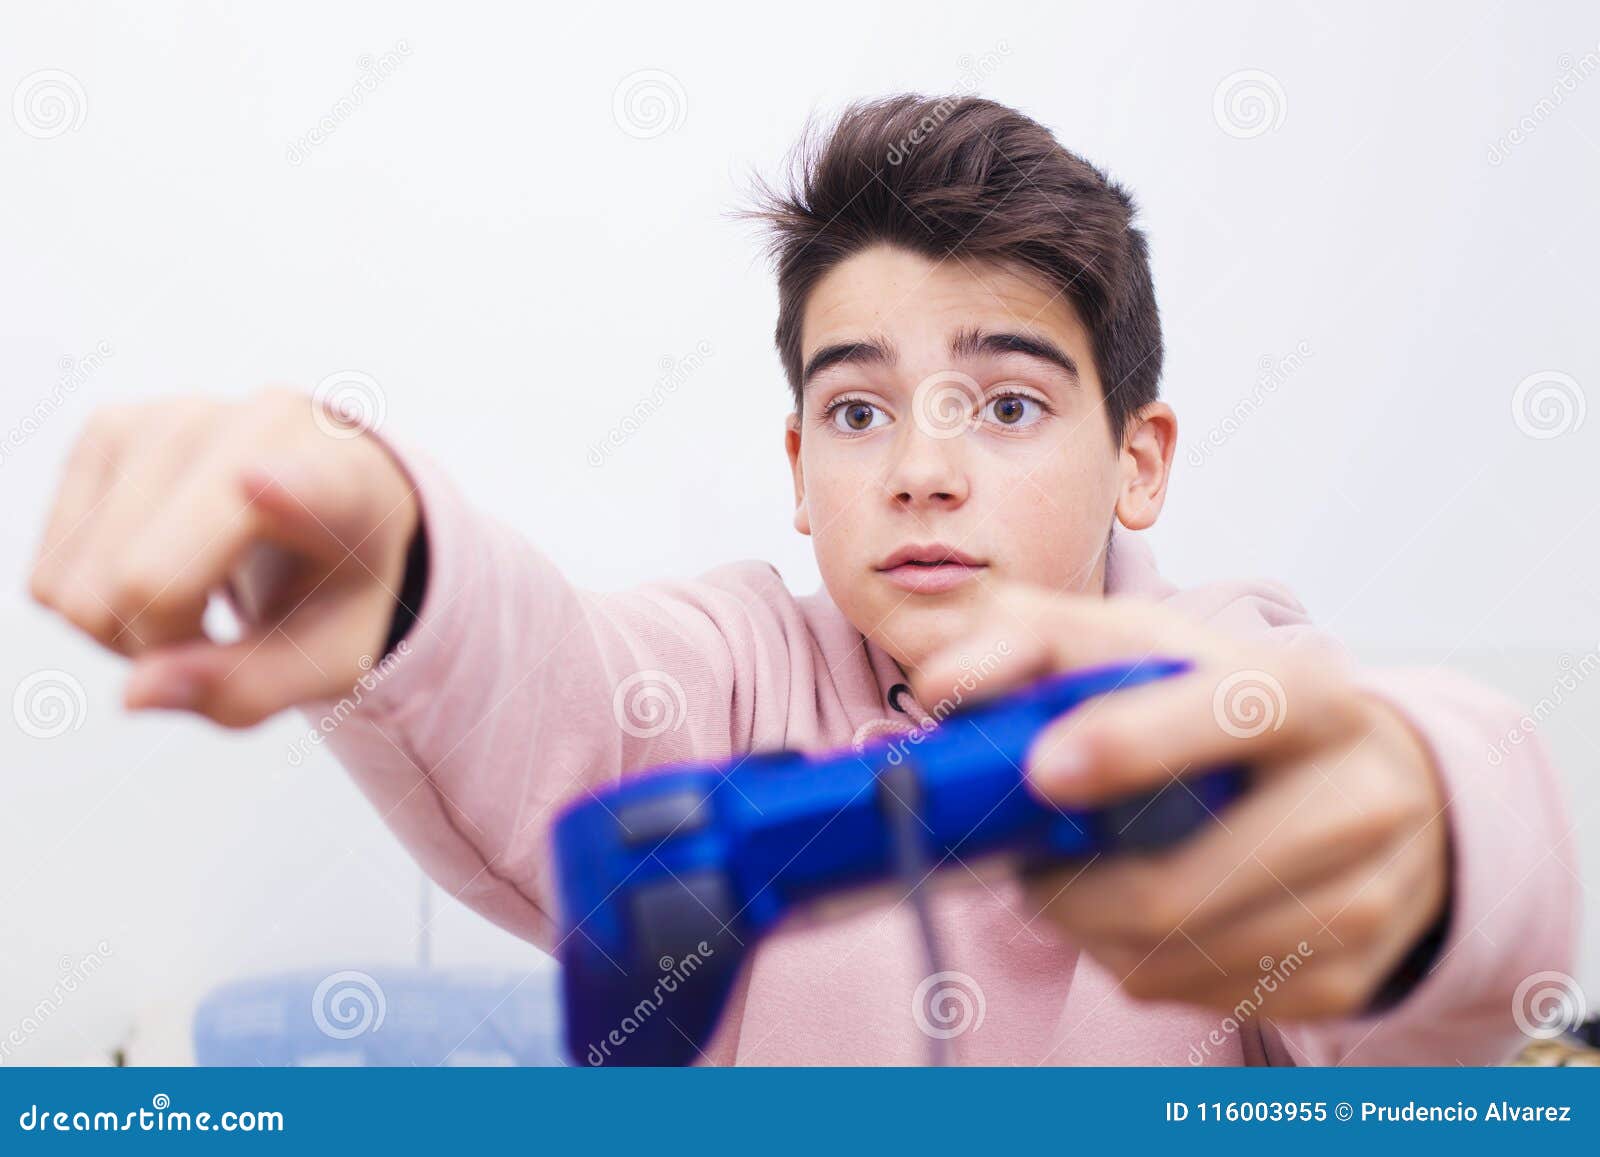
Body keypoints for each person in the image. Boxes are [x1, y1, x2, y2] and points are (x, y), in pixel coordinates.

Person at [27, 94, 1576, 1065]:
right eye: (857, 409)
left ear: (1140, 460)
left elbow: (1403, 808)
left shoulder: (1216, 670)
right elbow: (543, 676)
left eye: (1012, 403)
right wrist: (389, 552)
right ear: (799, 469)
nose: (919, 464)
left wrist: (1439, 849)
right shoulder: (727, 678)